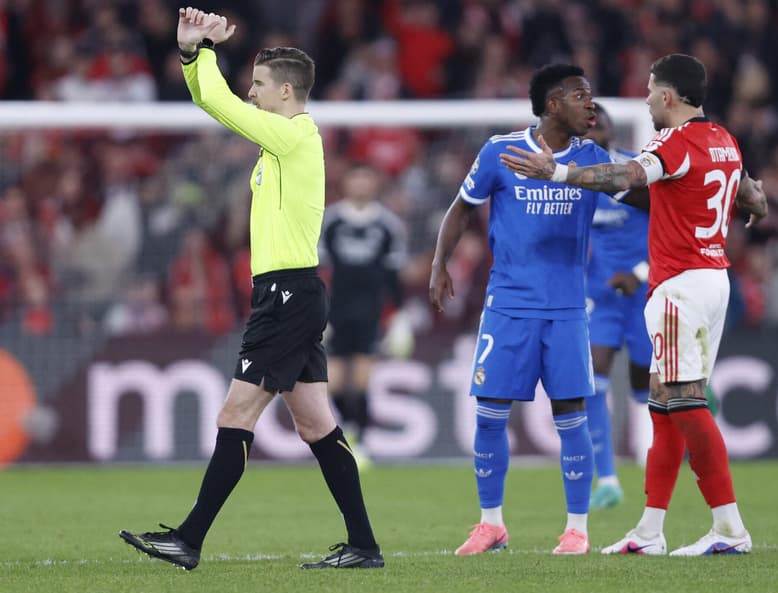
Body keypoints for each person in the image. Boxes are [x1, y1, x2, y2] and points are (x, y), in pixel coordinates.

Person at [118, 7, 383, 570]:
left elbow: (217, 103)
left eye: (260, 85)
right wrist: (194, 55)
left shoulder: (292, 136)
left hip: (288, 296)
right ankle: (364, 546)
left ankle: (188, 539)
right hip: (292, 294)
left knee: (235, 415)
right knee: (316, 424)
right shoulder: (282, 144)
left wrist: (198, 54)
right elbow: (214, 101)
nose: (252, 93)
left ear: (287, 91)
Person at [501, 53, 767, 556]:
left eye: (649, 92)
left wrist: (555, 173)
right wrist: (760, 202)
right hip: (713, 280)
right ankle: (649, 531)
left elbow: (628, 176)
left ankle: (730, 528)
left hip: (680, 286)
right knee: (664, 407)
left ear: (667, 96)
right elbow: (749, 195)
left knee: (687, 405)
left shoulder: (672, 141)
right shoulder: (724, 140)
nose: (644, 101)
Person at [429, 63, 622, 556]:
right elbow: (462, 206)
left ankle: (577, 528)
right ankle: (490, 523)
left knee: (570, 414)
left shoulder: (593, 158)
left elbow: (643, 196)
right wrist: (439, 263)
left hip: (565, 311)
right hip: (508, 306)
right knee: (490, 416)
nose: (591, 104)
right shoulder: (500, 151)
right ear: (553, 104)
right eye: (580, 95)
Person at [583, 102, 653, 511]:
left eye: (600, 124)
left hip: (643, 293)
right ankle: (606, 478)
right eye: (586, 126)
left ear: (612, 131)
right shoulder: (574, 182)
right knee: (594, 382)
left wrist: (639, 273)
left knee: (647, 388)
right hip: (600, 299)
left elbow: (668, 230)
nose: (593, 130)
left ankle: (651, 464)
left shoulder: (636, 173)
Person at [320, 162, 412, 463]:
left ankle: (357, 443)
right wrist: (317, 311)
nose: (360, 185)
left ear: (374, 185)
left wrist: (399, 317)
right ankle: (350, 432)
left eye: (366, 178)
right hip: (335, 313)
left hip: (369, 313)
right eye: (355, 177)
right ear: (346, 184)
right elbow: (318, 271)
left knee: (360, 382)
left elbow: (393, 276)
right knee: (332, 385)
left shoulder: (387, 225)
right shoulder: (330, 221)